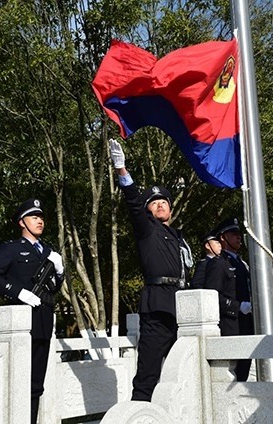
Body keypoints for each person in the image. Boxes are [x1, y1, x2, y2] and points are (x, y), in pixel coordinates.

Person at [110, 139, 193, 402]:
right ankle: (139, 413)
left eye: (163, 201)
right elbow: (134, 202)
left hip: (182, 306)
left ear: (171, 207)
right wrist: (122, 171)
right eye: (153, 202)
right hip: (157, 306)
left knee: (183, 370)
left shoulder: (178, 237)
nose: (159, 205)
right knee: (148, 372)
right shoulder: (148, 230)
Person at [0, 198, 64, 424]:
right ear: (22, 222)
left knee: (36, 383)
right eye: (34, 217)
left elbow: (54, 288)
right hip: (21, 322)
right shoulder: (11, 249)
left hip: (44, 321)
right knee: (19, 380)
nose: (40, 221)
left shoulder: (48, 251)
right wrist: (18, 292)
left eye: (41, 217)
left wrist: (59, 272)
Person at [215, 217, 253, 381]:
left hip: (246, 325)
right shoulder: (218, 264)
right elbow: (213, 297)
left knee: (244, 375)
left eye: (239, 233)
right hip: (230, 326)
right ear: (223, 237)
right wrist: (238, 307)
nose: (238, 237)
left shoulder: (242, 263)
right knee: (231, 378)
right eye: (233, 233)